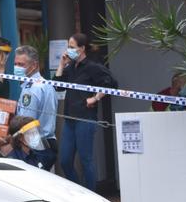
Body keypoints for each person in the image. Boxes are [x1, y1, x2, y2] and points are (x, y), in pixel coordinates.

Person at [54, 33, 117, 191]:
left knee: (85, 159)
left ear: (82, 49)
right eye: (68, 47)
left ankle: (91, 193)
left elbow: (112, 84)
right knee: (65, 161)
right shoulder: (71, 68)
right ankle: (79, 191)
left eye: (72, 47)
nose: (69, 50)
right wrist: (61, 65)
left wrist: (95, 98)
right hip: (70, 118)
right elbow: (57, 86)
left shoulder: (92, 67)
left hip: (85, 118)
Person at [13, 45, 58, 150]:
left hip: (34, 144)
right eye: (15, 64)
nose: (17, 68)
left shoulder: (31, 89)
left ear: (34, 65)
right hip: (48, 142)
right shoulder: (46, 84)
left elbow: (25, 122)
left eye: (21, 64)